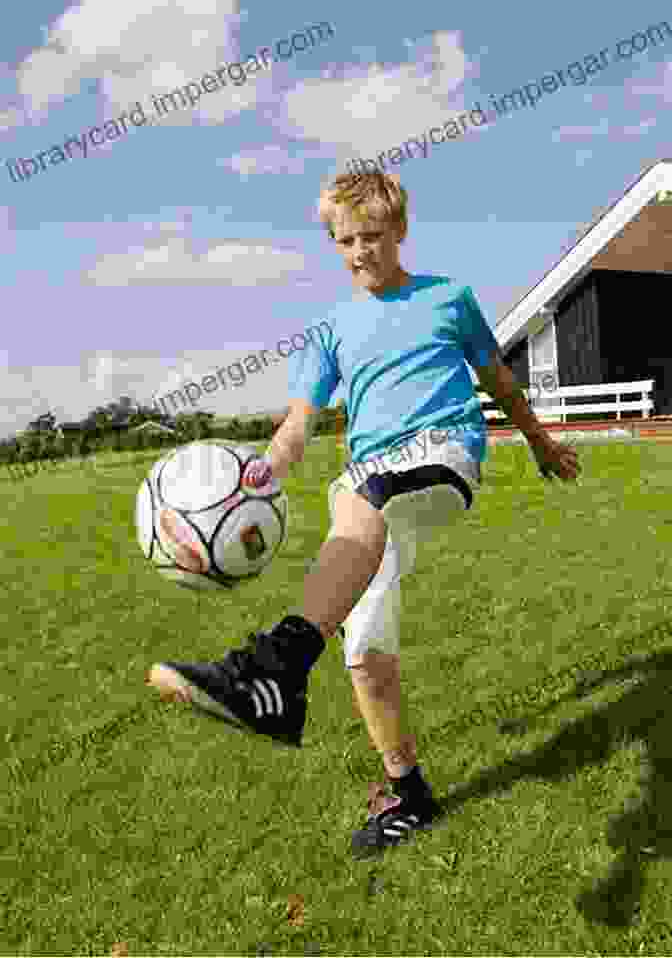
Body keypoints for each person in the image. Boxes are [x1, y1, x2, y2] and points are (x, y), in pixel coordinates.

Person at [146, 171, 581, 859]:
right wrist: (265, 470)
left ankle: (271, 667)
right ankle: (409, 793)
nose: (359, 252)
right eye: (344, 241)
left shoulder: (449, 298)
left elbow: (499, 381)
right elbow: (298, 423)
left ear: (399, 232)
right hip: (366, 482)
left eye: (372, 236)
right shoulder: (330, 328)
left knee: (368, 495)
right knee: (364, 645)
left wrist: (541, 442)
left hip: (442, 457)